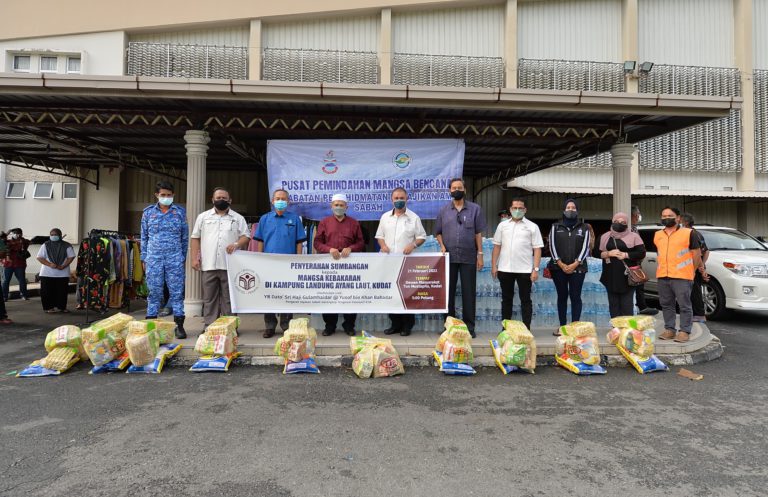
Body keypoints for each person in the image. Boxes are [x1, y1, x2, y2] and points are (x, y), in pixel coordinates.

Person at [191, 187, 250, 333]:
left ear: (230, 200)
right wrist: (194, 259)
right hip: (208, 264)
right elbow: (195, 238)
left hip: (229, 265)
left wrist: (236, 244)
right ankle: (209, 327)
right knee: (209, 298)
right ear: (212, 200)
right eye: (218, 198)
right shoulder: (203, 217)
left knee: (229, 298)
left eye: (224, 198)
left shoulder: (237, 218)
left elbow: (246, 236)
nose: (221, 200)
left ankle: (230, 328)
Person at [435, 178, 487, 338]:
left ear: (464, 190)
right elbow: (438, 232)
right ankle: (448, 326)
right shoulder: (444, 210)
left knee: (468, 293)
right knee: (447, 294)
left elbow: (478, 234)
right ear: (450, 191)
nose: (456, 190)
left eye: (459, 187)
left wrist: (480, 254)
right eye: (453, 187)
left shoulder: (475, 209)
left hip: (469, 257)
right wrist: (442, 246)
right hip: (448, 257)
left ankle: (469, 327)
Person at [254, 188, 306, 338]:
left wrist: (298, 260)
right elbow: (260, 241)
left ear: (288, 202)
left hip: (288, 264)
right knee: (269, 295)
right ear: (272, 201)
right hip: (268, 264)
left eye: (283, 199)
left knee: (286, 295)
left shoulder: (295, 219)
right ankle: (269, 326)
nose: (280, 201)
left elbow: (299, 242)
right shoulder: (264, 219)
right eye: (277, 198)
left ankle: (286, 325)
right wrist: (259, 259)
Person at [375, 187, 427, 336]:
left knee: (406, 294)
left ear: (406, 199)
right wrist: (383, 245)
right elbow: (379, 235)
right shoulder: (385, 217)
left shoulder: (414, 217)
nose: (399, 200)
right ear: (392, 200)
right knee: (392, 294)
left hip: (407, 263)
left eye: (401, 198)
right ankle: (395, 324)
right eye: (396, 198)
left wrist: (413, 245)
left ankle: (407, 326)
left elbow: (422, 236)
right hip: (388, 262)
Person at [141, 180, 189, 339]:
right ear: (157, 195)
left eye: (169, 195)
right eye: (163, 195)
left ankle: (179, 326)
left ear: (173, 195)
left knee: (177, 292)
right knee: (154, 292)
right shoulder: (148, 213)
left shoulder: (180, 213)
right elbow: (144, 237)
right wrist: (144, 258)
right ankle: (152, 325)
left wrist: (182, 257)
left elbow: (184, 238)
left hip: (174, 258)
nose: (166, 197)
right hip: (153, 258)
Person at [313, 193, 365, 336]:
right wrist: (329, 249)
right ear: (331, 206)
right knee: (329, 295)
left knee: (350, 296)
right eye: (336, 205)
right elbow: (317, 243)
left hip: (349, 266)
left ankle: (349, 325)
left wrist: (351, 248)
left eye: (341, 205)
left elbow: (361, 243)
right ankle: (330, 325)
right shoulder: (324, 222)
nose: (338, 207)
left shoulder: (354, 223)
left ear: (346, 207)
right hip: (330, 266)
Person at [655, 207, 705, 343]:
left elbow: (696, 254)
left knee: (684, 305)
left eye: (670, 215)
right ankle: (670, 330)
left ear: (678, 218)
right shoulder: (658, 234)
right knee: (666, 304)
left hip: (682, 276)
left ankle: (684, 331)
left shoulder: (689, 233)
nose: (666, 218)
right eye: (663, 215)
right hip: (663, 275)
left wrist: (692, 270)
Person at [491, 198, 543, 330]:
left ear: (525, 210)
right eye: (515, 208)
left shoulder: (532, 227)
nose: (517, 210)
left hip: (525, 270)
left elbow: (537, 249)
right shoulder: (502, 226)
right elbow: (497, 247)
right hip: (504, 268)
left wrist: (535, 269)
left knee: (525, 300)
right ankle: (505, 329)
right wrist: (493, 265)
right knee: (506, 300)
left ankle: (526, 329)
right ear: (510, 209)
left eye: (520, 208)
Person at [548, 198, 591, 333]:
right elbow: (552, 245)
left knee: (575, 296)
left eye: (573, 208)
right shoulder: (555, 227)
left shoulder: (585, 228)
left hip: (578, 268)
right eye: (568, 208)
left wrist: (575, 263)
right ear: (563, 210)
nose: (570, 210)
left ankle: (575, 326)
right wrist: (560, 263)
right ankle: (563, 326)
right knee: (562, 296)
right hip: (558, 268)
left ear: (577, 210)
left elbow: (586, 248)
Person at [595, 213, 646, 318]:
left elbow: (641, 253)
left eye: (623, 222)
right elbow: (595, 253)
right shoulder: (604, 236)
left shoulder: (634, 236)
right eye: (617, 221)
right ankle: (616, 331)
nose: (620, 224)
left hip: (627, 277)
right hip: (610, 276)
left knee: (627, 306)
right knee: (613, 305)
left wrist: (626, 255)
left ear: (627, 224)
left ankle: (627, 332)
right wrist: (608, 253)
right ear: (613, 221)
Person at [36, 228, 76, 313]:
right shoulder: (45, 245)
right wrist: (49, 264)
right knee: (47, 292)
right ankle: (49, 308)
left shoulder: (67, 245)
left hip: (62, 273)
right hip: (47, 273)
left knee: (62, 292)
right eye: (52, 235)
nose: (53, 236)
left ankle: (62, 307)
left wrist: (63, 265)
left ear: (60, 235)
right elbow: (39, 257)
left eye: (56, 235)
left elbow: (71, 257)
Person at [680, 212, 710, 322]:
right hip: (696, 266)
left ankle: (699, 314)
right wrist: (702, 266)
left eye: (680, 221)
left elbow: (698, 253)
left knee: (693, 291)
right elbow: (706, 251)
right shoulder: (697, 233)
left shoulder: (690, 234)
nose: (678, 223)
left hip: (691, 267)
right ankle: (696, 314)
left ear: (685, 222)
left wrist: (698, 267)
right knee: (694, 291)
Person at [630, 205, 658, 316]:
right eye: (638, 214)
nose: (639, 216)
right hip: (633, 262)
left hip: (637, 261)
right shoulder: (630, 228)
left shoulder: (635, 228)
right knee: (637, 284)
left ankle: (640, 306)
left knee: (639, 284)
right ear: (634, 215)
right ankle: (641, 307)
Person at [2, 228, 30, 301]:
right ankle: (4, 296)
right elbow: (1, 241)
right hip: (9, 264)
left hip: (20, 264)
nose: (16, 234)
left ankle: (23, 295)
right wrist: (6, 234)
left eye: (18, 233)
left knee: (22, 280)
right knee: (6, 280)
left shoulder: (24, 241)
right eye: (14, 233)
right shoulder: (8, 242)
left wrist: (21, 238)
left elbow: (27, 243)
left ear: (21, 234)